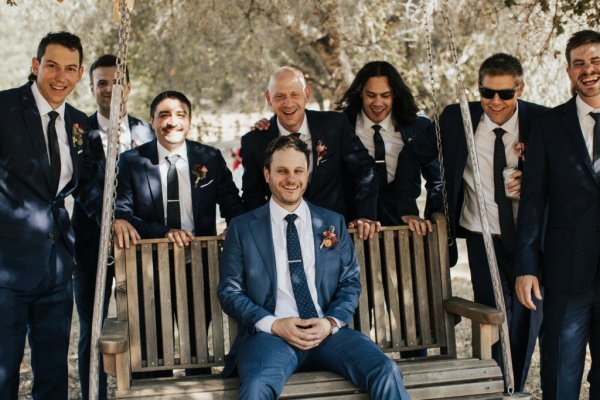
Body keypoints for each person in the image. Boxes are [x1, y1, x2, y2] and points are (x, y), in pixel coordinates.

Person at [395, 53, 547, 391]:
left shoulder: (542, 121)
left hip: (528, 237)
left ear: (519, 89)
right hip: (482, 237)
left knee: (527, 315)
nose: (495, 102)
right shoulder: (456, 118)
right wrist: (406, 206)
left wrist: (534, 176)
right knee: (493, 315)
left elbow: (562, 174)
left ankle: (514, 386)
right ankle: (498, 385)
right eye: (487, 93)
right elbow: (411, 156)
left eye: (505, 94)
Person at [218, 135, 410, 399]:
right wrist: (274, 324)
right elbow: (230, 292)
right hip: (271, 337)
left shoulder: (331, 222)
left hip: (328, 333)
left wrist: (330, 322)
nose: (291, 179)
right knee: (256, 387)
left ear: (308, 173)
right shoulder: (243, 228)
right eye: (282, 171)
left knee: (385, 370)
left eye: (298, 170)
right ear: (266, 174)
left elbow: (349, 282)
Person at [0, 31, 87, 399]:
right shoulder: (4, 108)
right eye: (51, 66)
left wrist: (117, 217)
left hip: (57, 266)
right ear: (36, 66)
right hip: (7, 268)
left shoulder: (79, 123)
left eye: (69, 69)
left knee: (52, 372)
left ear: (79, 75)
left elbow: (89, 186)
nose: (59, 77)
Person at [515, 29, 600, 400]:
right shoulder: (549, 125)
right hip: (566, 270)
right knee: (560, 373)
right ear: (568, 72)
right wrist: (526, 266)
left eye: (596, 61)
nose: (588, 70)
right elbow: (532, 201)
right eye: (579, 63)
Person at [71, 54, 155, 400]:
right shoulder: (79, 133)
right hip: (92, 245)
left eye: (116, 81)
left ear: (129, 86)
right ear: (91, 88)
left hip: (140, 248)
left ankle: (142, 390)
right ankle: (95, 394)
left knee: (144, 325)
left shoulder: (145, 131)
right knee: (93, 328)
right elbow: (85, 186)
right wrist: (111, 220)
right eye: (101, 82)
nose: (109, 89)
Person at [241, 66, 380, 240]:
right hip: (283, 238)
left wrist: (365, 215)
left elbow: (365, 170)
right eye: (280, 96)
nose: (288, 103)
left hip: (337, 234)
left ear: (307, 94)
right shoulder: (254, 141)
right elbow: (252, 195)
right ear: (268, 98)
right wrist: (261, 233)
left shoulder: (335, 125)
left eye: (294, 94)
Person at [336, 60, 442, 225]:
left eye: (385, 95)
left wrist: (434, 218)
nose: (378, 103)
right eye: (371, 95)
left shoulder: (418, 127)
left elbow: (436, 179)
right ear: (360, 93)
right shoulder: (341, 125)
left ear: (395, 94)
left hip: (403, 223)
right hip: (355, 224)